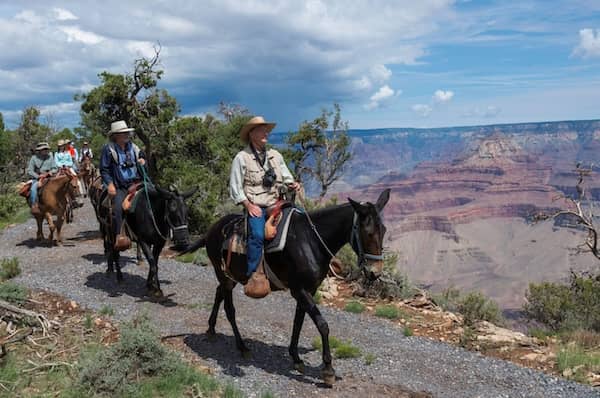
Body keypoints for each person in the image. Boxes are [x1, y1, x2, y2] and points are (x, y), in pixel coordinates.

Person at [229, 116, 300, 278]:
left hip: (277, 202)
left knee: (302, 219)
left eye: (266, 130)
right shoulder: (242, 158)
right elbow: (235, 187)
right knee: (258, 235)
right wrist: (248, 205)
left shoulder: (275, 155)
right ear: (252, 134)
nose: (266, 133)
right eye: (262, 130)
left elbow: (286, 175)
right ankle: (253, 272)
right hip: (257, 205)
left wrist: (292, 184)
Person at [99, 120, 146, 246]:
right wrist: (109, 184)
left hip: (136, 182)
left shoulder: (134, 147)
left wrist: (142, 160)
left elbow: (142, 157)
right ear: (115, 135)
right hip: (120, 185)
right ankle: (119, 235)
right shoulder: (108, 149)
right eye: (123, 133)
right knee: (118, 207)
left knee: (152, 198)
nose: (126, 135)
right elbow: (104, 169)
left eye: (127, 133)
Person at [27, 142, 57, 215]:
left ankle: (66, 202)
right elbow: (30, 171)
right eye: (44, 149)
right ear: (40, 150)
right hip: (38, 177)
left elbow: (55, 168)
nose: (45, 150)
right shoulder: (34, 158)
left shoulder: (50, 157)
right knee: (33, 188)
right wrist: (38, 176)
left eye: (46, 149)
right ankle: (34, 205)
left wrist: (51, 172)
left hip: (50, 176)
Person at [54, 140, 84, 207]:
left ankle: (79, 195)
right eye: (60, 146)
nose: (61, 147)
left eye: (62, 146)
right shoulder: (56, 154)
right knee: (55, 180)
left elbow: (70, 161)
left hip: (68, 167)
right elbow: (56, 161)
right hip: (60, 168)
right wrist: (61, 166)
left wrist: (67, 165)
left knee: (75, 177)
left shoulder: (67, 153)